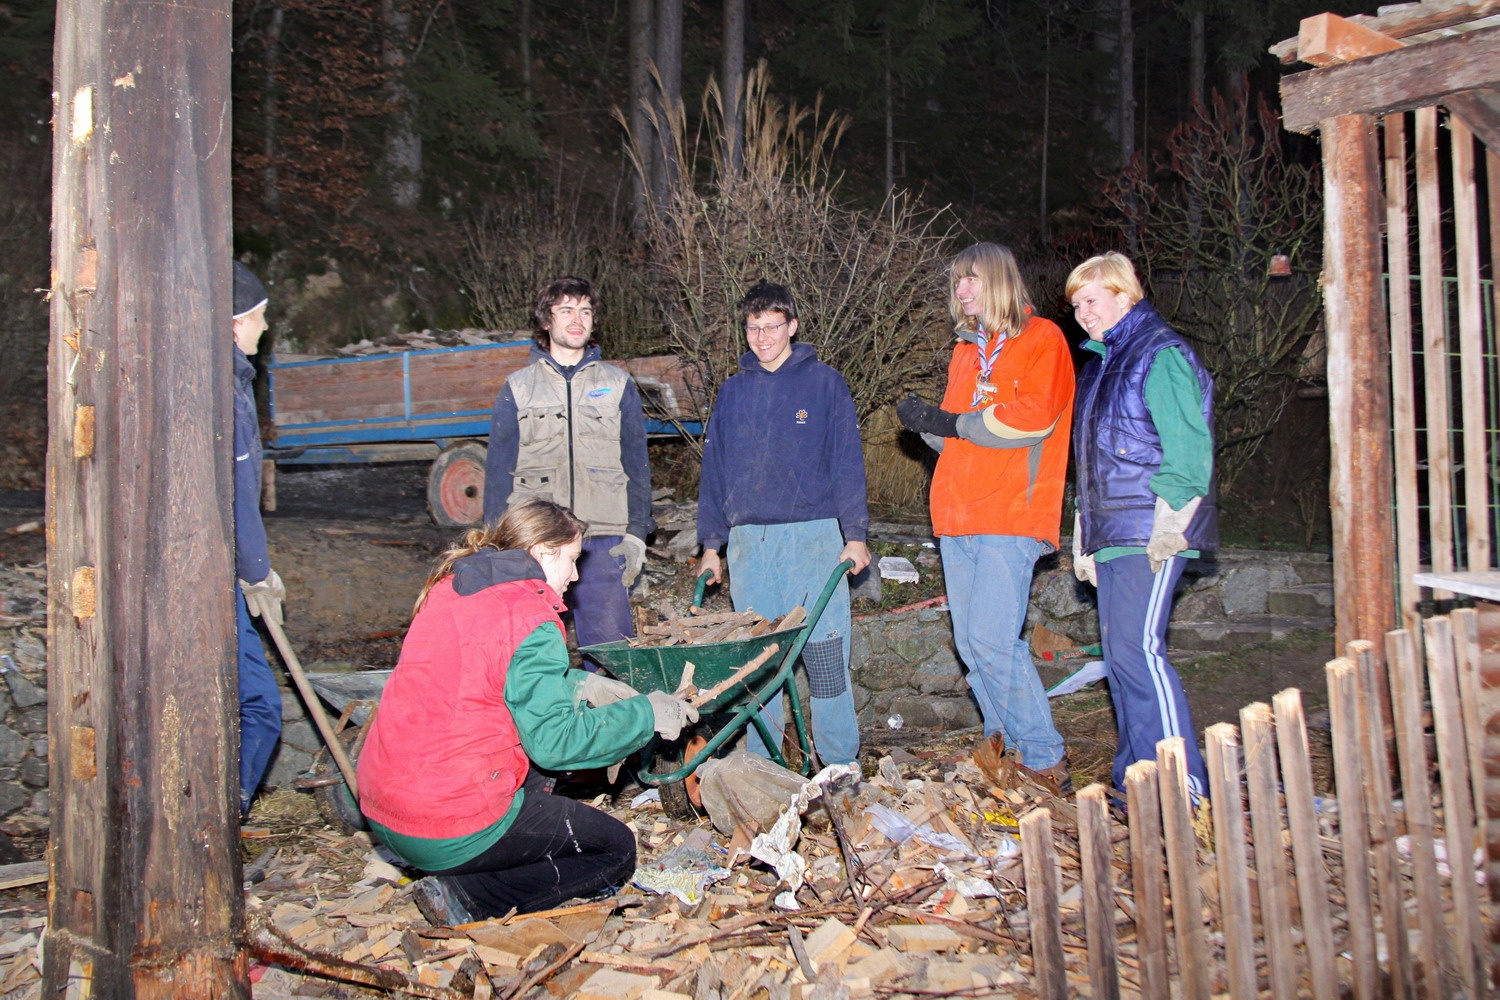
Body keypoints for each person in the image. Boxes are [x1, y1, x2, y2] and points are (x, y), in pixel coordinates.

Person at [356, 497, 698, 924]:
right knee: (614, 851)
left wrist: (582, 683)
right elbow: (557, 744)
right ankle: (467, 897)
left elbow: (488, 672)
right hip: (444, 824)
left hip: (385, 809)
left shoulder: (453, 586)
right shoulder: (531, 613)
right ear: (541, 553)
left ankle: (470, 862)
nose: (575, 576)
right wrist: (645, 715)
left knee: (533, 771)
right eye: (572, 560)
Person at [895, 243, 1074, 790]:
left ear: (999, 281)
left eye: (971, 279)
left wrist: (952, 422)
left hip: (1010, 512)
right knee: (973, 646)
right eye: (957, 282)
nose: (962, 291)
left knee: (995, 641)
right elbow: (957, 437)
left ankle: (1044, 759)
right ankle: (1004, 749)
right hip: (957, 513)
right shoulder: (965, 353)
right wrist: (927, 424)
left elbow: (1031, 420)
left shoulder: (1042, 339)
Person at [696, 281, 871, 768]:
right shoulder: (732, 393)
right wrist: (712, 545)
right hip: (750, 544)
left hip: (814, 537)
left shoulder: (824, 384)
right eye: (752, 327)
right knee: (759, 661)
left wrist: (854, 536)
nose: (761, 336)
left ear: (792, 326)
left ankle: (839, 765)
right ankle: (765, 767)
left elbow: (847, 462)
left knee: (825, 655)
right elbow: (714, 470)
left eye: (772, 325)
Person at [1066, 252, 1216, 799]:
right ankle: (1138, 781)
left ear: (1124, 296)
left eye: (1092, 299)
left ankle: (1184, 787)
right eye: (1076, 304)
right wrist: (1087, 534)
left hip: (1149, 529)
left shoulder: (1160, 354)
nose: (1082, 312)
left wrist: (1170, 524)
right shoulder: (1102, 365)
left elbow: (1188, 449)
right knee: (1122, 658)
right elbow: (1094, 462)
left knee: (1140, 652)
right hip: (1113, 533)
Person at [482, 276, 653, 661]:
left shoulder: (617, 383)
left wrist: (637, 533)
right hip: (538, 543)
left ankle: (607, 719)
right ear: (547, 320)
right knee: (531, 652)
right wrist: (497, 543)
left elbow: (637, 466)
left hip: (602, 542)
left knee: (612, 654)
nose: (577, 320)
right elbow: (497, 473)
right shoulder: (518, 387)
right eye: (566, 310)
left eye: (585, 311)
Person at [230, 261, 285, 819]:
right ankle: (224, 819)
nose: (265, 329)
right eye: (259, 317)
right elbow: (240, 492)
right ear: (233, 322)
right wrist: (256, 569)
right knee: (261, 707)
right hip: (220, 574)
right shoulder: (231, 387)